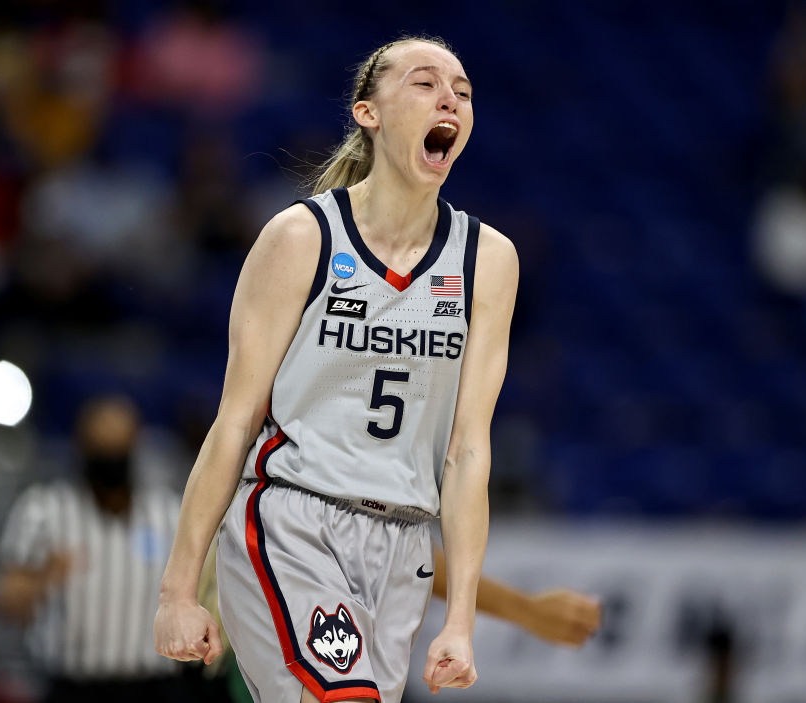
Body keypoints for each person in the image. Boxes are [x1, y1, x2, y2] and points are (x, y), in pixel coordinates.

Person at [154, 36, 521, 703]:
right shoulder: (301, 239)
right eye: (424, 83)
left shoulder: (487, 260)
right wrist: (178, 589)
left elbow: (468, 450)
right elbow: (234, 422)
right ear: (367, 113)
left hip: (403, 544)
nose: (450, 97)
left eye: (463, 91)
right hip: (294, 518)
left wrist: (461, 620)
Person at [0, 395, 185, 703]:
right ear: (81, 447)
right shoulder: (44, 511)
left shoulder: (168, 513)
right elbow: (7, 602)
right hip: (75, 686)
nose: (110, 460)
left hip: (153, 686)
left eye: (117, 450)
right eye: (101, 450)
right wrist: (45, 575)